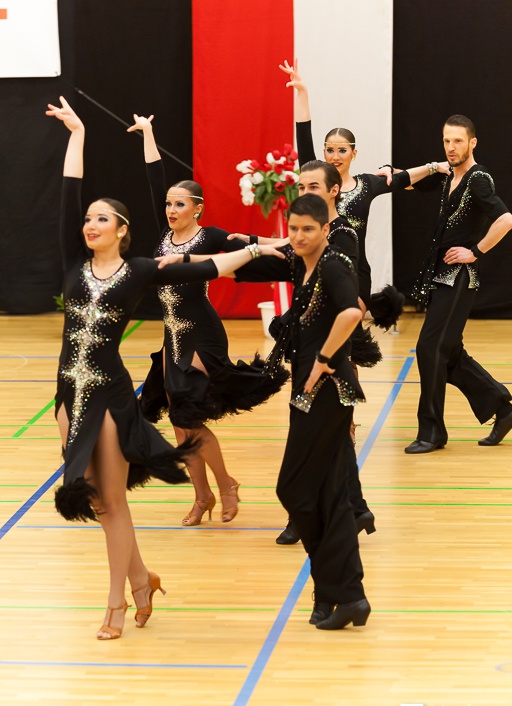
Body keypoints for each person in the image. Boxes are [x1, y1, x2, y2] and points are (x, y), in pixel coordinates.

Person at [47, 97, 282, 640]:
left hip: (109, 398)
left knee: (112, 501)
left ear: (122, 229)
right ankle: (142, 580)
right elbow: (67, 192)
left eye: (101, 218)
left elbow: (211, 266)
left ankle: (116, 604)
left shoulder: (139, 271)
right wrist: (77, 133)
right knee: (96, 502)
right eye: (88, 218)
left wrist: (257, 250)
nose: (89, 224)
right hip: (66, 397)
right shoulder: (73, 264)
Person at [164, 194, 370, 629]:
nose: (299, 236)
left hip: (328, 392)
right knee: (329, 495)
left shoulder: (333, 264)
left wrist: (324, 359)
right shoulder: (298, 263)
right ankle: (343, 593)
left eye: (308, 229)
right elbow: (233, 265)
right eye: (293, 229)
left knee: (294, 490)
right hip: (308, 391)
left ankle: (337, 588)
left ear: (325, 230)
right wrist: (183, 260)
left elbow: (353, 311)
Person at [127, 114, 289, 526]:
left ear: (197, 208)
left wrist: (291, 240)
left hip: (202, 334)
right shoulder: (164, 237)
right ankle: (202, 496)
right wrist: (149, 132)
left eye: (180, 203)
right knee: (180, 424)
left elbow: (250, 242)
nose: (171, 209)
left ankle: (226, 484)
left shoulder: (210, 236)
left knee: (190, 417)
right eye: (169, 203)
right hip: (171, 336)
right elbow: (153, 175)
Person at [231, 161, 377, 544]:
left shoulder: (340, 237)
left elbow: (345, 302)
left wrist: (325, 358)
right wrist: (247, 246)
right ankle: (354, 509)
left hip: (327, 353)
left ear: (333, 191)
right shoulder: (306, 236)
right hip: (307, 348)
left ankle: (308, 515)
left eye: (313, 186)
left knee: (314, 440)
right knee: (331, 441)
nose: (305, 192)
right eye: (301, 186)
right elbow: (288, 249)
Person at [279, 59, 449, 311]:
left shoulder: (366, 184)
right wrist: (302, 92)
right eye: (330, 150)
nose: (335, 156)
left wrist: (434, 166)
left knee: (350, 326)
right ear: (324, 153)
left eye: (342, 150)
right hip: (318, 267)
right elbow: (303, 133)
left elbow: (402, 179)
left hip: (356, 272)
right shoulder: (315, 180)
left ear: (353, 153)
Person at [404, 115, 512, 453]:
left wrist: (475, 251)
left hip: (458, 278)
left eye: (458, 141)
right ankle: (504, 408)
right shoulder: (450, 175)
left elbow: (506, 219)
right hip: (440, 276)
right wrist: (432, 166)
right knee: (449, 355)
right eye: (447, 141)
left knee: (429, 349)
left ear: (472, 143)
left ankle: (432, 432)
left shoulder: (478, 179)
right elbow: (407, 184)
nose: (451, 147)